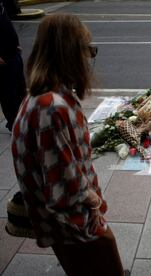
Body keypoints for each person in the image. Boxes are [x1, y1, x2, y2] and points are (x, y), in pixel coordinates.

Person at [10, 14, 127, 276]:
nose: (89, 59)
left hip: (61, 223)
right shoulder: (52, 108)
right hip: (71, 226)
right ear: (71, 54)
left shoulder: (42, 97)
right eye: (87, 50)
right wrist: (97, 222)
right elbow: (65, 191)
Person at [0, 0, 26, 131]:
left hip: (13, 53)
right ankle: (14, 124)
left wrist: (15, 43)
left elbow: (7, 26)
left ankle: (22, 119)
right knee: (8, 93)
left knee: (21, 89)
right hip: (3, 59)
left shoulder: (3, 6)